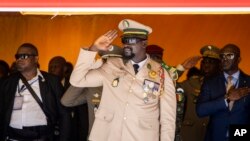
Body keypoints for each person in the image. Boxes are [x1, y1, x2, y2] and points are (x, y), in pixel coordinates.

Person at [69, 19, 176, 141]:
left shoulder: (160, 73)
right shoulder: (112, 65)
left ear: (144, 43)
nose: (126, 45)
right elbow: (77, 80)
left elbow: (168, 120)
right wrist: (93, 49)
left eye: (131, 41)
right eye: (124, 41)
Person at [0, 43, 70, 141]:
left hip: (41, 137)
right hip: (13, 137)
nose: (19, 59)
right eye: (17, 56)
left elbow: (64, 114)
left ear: (36, 59)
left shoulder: (51, 81)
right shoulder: (7, 83)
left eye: (24, 56)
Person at [61, 45, 123, 136]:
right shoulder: (93, 87)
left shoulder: (127, 85)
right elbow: (66, 101)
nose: (109, 67)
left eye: (113, 62)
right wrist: (86, 74)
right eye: (105, 62)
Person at [196, 44, 250, 141]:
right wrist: (227, 99)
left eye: (229, 55)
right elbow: (200, 110)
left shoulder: (249, 82)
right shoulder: (210, 82)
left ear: (239, 59)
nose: (224, 59)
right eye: (222, 56)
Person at [178, 45, 221, 141]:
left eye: (211, 62)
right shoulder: (191, 83)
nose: (206, 65)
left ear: (220, 66)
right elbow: (169, 87)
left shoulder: (227, 86)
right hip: (190, 136)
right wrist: (181, 68)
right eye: (204, 62)